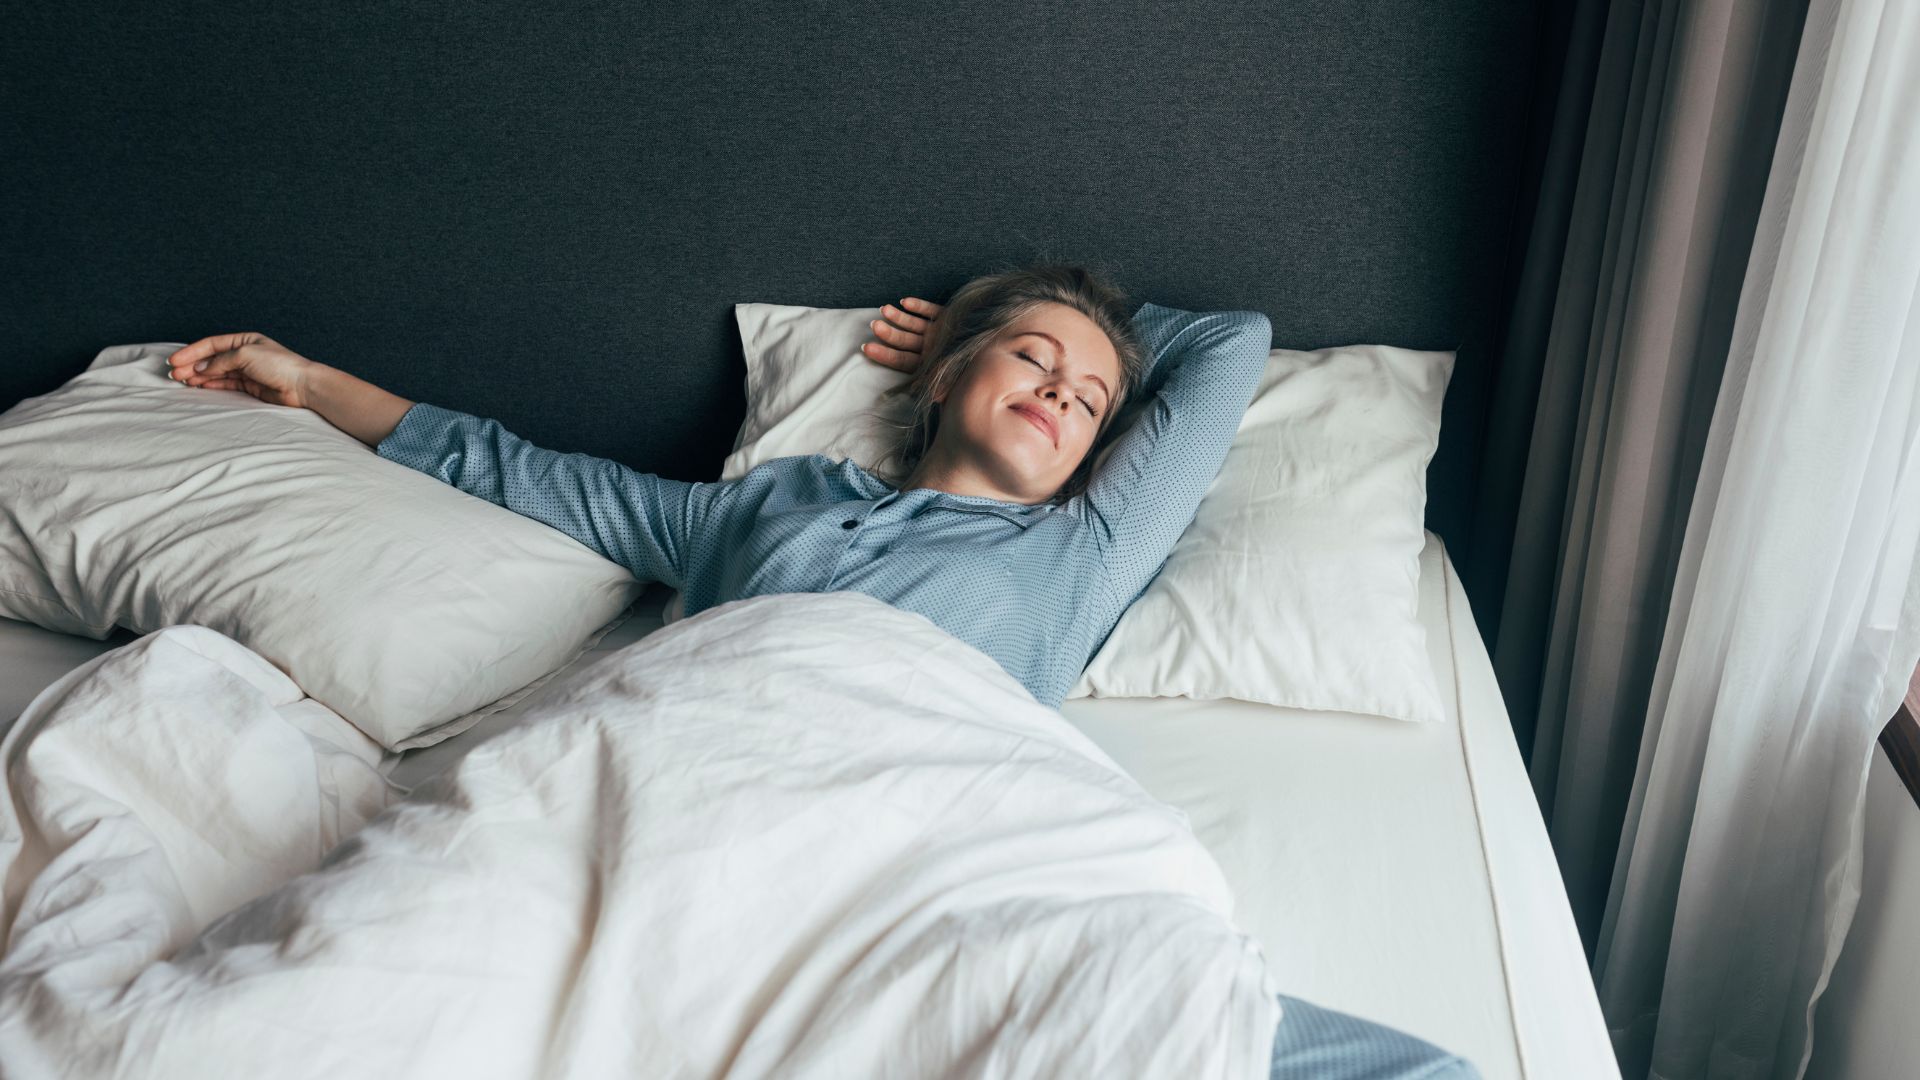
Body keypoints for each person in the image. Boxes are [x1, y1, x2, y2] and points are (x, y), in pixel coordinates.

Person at [165, 264, 1273, 709]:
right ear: (947, 376)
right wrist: (308, 381)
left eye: (1090, 403)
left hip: (925, 790)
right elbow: (516, 469)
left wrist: (989, 317)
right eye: (1034, 359)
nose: (1061, 395)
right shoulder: (767, 505)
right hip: (699, 744)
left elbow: (1233, 341)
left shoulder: (1085, 549)